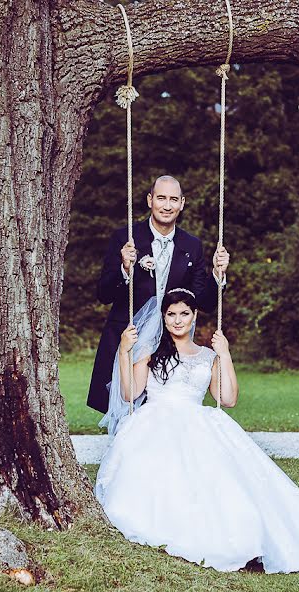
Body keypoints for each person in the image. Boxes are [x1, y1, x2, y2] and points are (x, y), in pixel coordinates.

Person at [95, 289, 299, 573]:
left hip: (196, 420)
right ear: (163, 317)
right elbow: (129, 393)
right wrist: (124, 351)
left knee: (221, 480)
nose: (177, 320)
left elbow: (229, 398)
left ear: (195, 316)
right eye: (171, 314)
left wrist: (225, 354)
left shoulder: (208, 355)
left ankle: (243, 540)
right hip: (155, 420)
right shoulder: (150, 353)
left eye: (184, 313)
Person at [87, 175, 229, 415]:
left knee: (160, 410)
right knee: (126, 406)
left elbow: (203, 301)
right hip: (129, 335)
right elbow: (104, 293)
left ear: (182, 203)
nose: (167, 205)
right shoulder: (126, 238)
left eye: (173, 199)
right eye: (161, 198)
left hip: (170, 341)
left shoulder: (191, 245)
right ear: (150, 200)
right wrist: (125, 268)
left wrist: (218, 275)